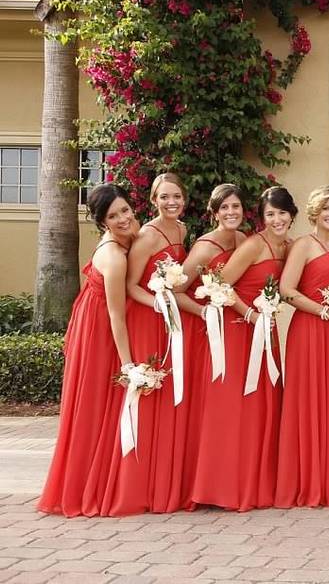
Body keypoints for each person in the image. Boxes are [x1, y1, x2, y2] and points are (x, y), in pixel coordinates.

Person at [38, 184, 139, 517]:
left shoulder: (129, 236)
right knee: (95, 404)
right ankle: (85, 487)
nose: (123, 218)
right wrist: (128, 366)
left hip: (95, 320)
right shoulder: (113, 255)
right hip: (98, 330)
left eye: (125, 210)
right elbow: (116, 313)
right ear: (102, 222)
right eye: (114, 216)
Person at [190, 186, 293, 511]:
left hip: (266, 333)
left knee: (263, 408)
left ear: (292, 214)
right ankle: (222, 489)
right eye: (270, 214)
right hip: (239, 332)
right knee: (234, 408)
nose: (276, 219)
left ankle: (257, 484)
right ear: (261, 219)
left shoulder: (289, 246)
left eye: (281, 213)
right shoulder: (253, 245)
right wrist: (248, 313)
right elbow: (219, 285)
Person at [104, 173, 190, 515]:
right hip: (146, 318)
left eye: (177, 196)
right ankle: (137, 486)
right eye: (164, 197)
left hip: (168, 321)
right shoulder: (147, 236)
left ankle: (163, 481)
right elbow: (131, 286)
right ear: (153, 200)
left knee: (168, 400)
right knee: (149, 400)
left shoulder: (182, 230)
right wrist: (160, 302)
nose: (171, 202)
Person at [276, 187, 329, 508]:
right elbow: (286, 290)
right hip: (309, 331)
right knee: (308, 401)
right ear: (314, 212)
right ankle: (308, 481)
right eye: (326, 208)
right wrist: (323, 310)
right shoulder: (304, 245)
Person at [174, 183, 247, 499]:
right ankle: (210, 485)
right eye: (225, 208)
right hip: (214, 335)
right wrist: (204, 312)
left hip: (242, 329)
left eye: (236, 207)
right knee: (218, 407)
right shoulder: (205, 247)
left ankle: (236, 478)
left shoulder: (244, 240)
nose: (231, 213)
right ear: (214, 213)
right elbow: (176, 291)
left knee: (239, 408)